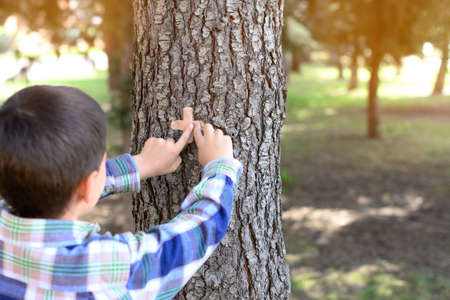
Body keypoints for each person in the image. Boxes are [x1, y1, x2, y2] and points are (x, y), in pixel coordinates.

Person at [0, 85, 242, 299]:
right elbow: (193, 236)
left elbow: (55, 178)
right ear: (88, 185)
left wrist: (140, 165)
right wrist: (219, 166)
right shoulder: (106, 266)